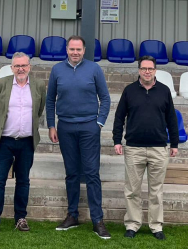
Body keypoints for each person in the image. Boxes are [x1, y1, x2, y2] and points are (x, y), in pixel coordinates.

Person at [46, 35, 112, 239]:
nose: (75, 53)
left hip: (88, 128)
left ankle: (97, 220)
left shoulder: (94, 69)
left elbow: (106, 98)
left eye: (79, 49)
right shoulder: (57, 70)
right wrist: (51, 125)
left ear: (84, 50)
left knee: (92, 174)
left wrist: (99, 122)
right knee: (72, 173)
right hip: (65, 127)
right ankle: (72, 215)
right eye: (72, 49)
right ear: (67, 49)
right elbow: (50, 100)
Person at [112, 55, 178, 240]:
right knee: (132, 190)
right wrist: (117, 140)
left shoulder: (164, 91)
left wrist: (174, 143)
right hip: (134, 148)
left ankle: (156, 226)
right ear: (139, 70)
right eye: (143, 69)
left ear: (155, 70)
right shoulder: (129, 91)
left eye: (150, 68)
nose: (147, 72)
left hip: (158, 148)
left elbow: (171, 119)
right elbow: (119, 117)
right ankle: (132, 224)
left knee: (156, 191)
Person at [0, 52, 46, 235]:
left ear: (30, 67)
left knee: (23, 181)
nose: (21, 69)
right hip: (4, 142)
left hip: (26, 142)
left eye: (24, 65)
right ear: (12, 68)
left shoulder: (38, 85)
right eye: (17, 66)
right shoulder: (1, 84)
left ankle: (20, 218)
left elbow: (39, 110)